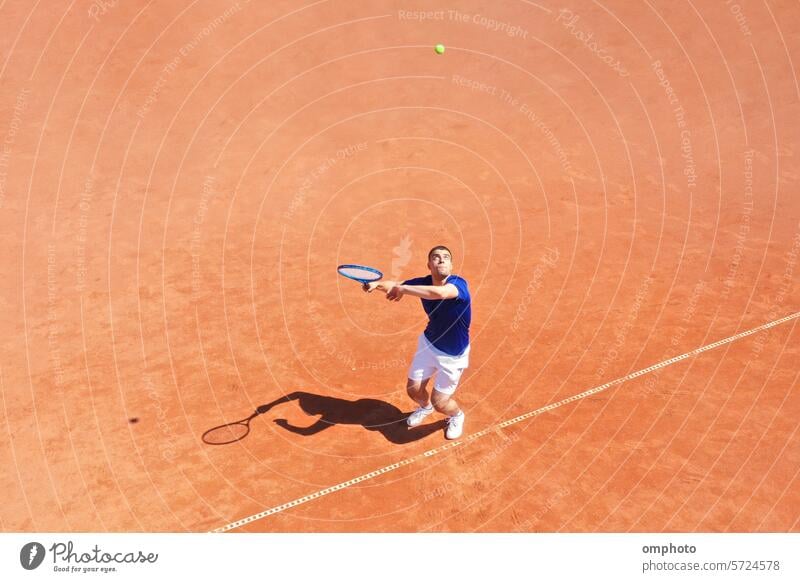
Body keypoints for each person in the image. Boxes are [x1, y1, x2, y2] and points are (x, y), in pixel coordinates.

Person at [363, 245, 471, 439]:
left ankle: (457, 415)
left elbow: (441, 294)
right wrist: (375, 285)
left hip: (453, 355)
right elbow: (393, 285)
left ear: (451, 265)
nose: (441, 260)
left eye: (446, 257)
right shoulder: (422, 282)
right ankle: (425, 407)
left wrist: (402, 289)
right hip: (429, 344)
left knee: (441, 402)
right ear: (429, 265)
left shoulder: (458, 284)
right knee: (413, 390)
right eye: (436, 257)